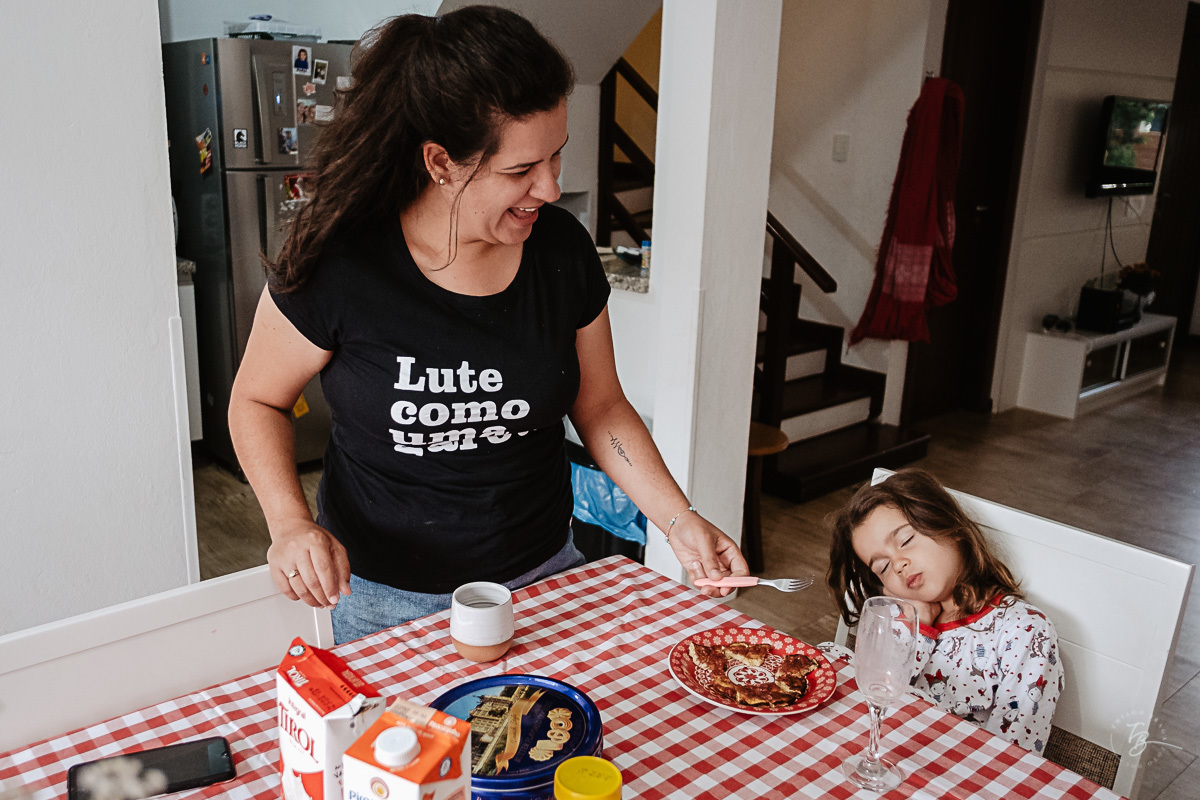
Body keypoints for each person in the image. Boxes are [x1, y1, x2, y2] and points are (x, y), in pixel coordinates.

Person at [228, 5, 748, 645]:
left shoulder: (561, 252)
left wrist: (678, 520)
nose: (551, 188)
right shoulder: (342, 262)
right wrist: (289, 522)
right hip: (381, 597)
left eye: (556, 157)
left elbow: (601, 405)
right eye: (520, 170)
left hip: (545, 582)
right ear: (441, 162)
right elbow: (256, 400)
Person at [826, 468, 1063, 755]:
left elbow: (1014, 758)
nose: (899, 564)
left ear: (950, 527)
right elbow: (866, 712)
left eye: (906, 541)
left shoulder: (1024, 632)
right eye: (883, 567)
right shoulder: (894, 621)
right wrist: (918, 628)